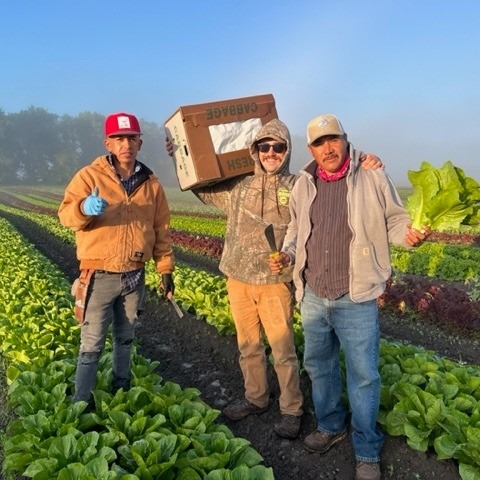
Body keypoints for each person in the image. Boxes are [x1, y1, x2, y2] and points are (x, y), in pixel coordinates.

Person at [167, 118, 382, 439]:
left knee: (283, 351)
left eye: (278, 147)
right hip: (237, 277)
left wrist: (366, 161)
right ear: (255, 150)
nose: (271, 152)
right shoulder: (238, 185)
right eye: (264, 146)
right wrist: (178, 156)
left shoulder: (299, 185)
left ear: (287, 151)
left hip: (276, 281)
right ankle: (255, 398)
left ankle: (291, 409)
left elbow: (333, 178)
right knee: (248, 346)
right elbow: (199, 183)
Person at [269, 114, 430, 480]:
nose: (328, 148)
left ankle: (367, 448)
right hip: (313, 292)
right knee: (319, 367)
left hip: (355, 295)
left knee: (363, 375)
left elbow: (395, 220)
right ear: (310, 149)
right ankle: (329, 425)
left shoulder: (371, 175)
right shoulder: (303, 183)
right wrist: (289, 253)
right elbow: (296, 226)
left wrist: (410, 235)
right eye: (319, 143)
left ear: (345, 139)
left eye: (333, 139)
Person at [59, 112, 175, 408]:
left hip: (134, 276)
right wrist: (84, 207)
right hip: (99, 275)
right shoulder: (89, 176)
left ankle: (120, 391)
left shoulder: (151, 184)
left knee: (125, 339)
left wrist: (165, 270)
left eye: (132, 138)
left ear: (140, 141)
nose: (126, 144)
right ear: (108, 142)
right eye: (119, 139)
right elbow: (65, 215)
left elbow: (161, 229)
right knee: (92, 343)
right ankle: (81, 403)